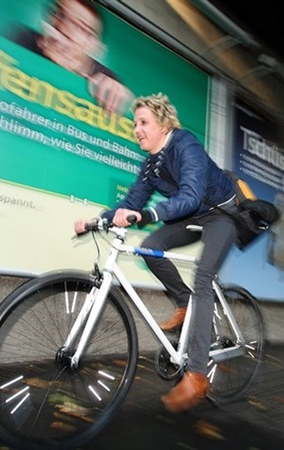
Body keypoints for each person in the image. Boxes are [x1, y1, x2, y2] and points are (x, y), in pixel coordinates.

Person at [74, 93, 238, 412]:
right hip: (191, 214)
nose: (137, 129)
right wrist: (98, 220)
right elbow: (132, 202)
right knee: (150, 248)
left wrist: (149, 215)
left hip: (222, 213)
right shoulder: (152, 162)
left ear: (164, 124)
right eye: (135, 123)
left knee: (203, 278)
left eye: (144, 122)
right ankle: (184, 303)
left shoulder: (185, 144)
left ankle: (198, 376)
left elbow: (190, 195)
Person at [11, 0, 132, 114]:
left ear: (94, 45)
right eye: (60, 15)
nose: (64, 29)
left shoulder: (108, 80)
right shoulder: (23, 39)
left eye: (80, 28)